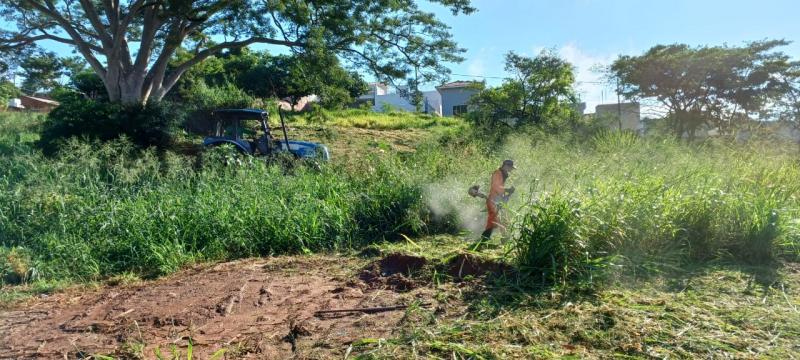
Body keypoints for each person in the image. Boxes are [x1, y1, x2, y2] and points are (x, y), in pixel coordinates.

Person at [480, 159, 516, 241]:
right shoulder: (497, 173)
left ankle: (504, 239)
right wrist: (507, 190)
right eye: (511, 168)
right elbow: (496, 187)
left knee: (502, 219)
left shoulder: (503, 174)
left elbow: (499, 188)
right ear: (506, 166)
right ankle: (484, 240)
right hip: (493, 199)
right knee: (493, 220)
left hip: (498, 200)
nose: (511, 170)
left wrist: (507, 192)